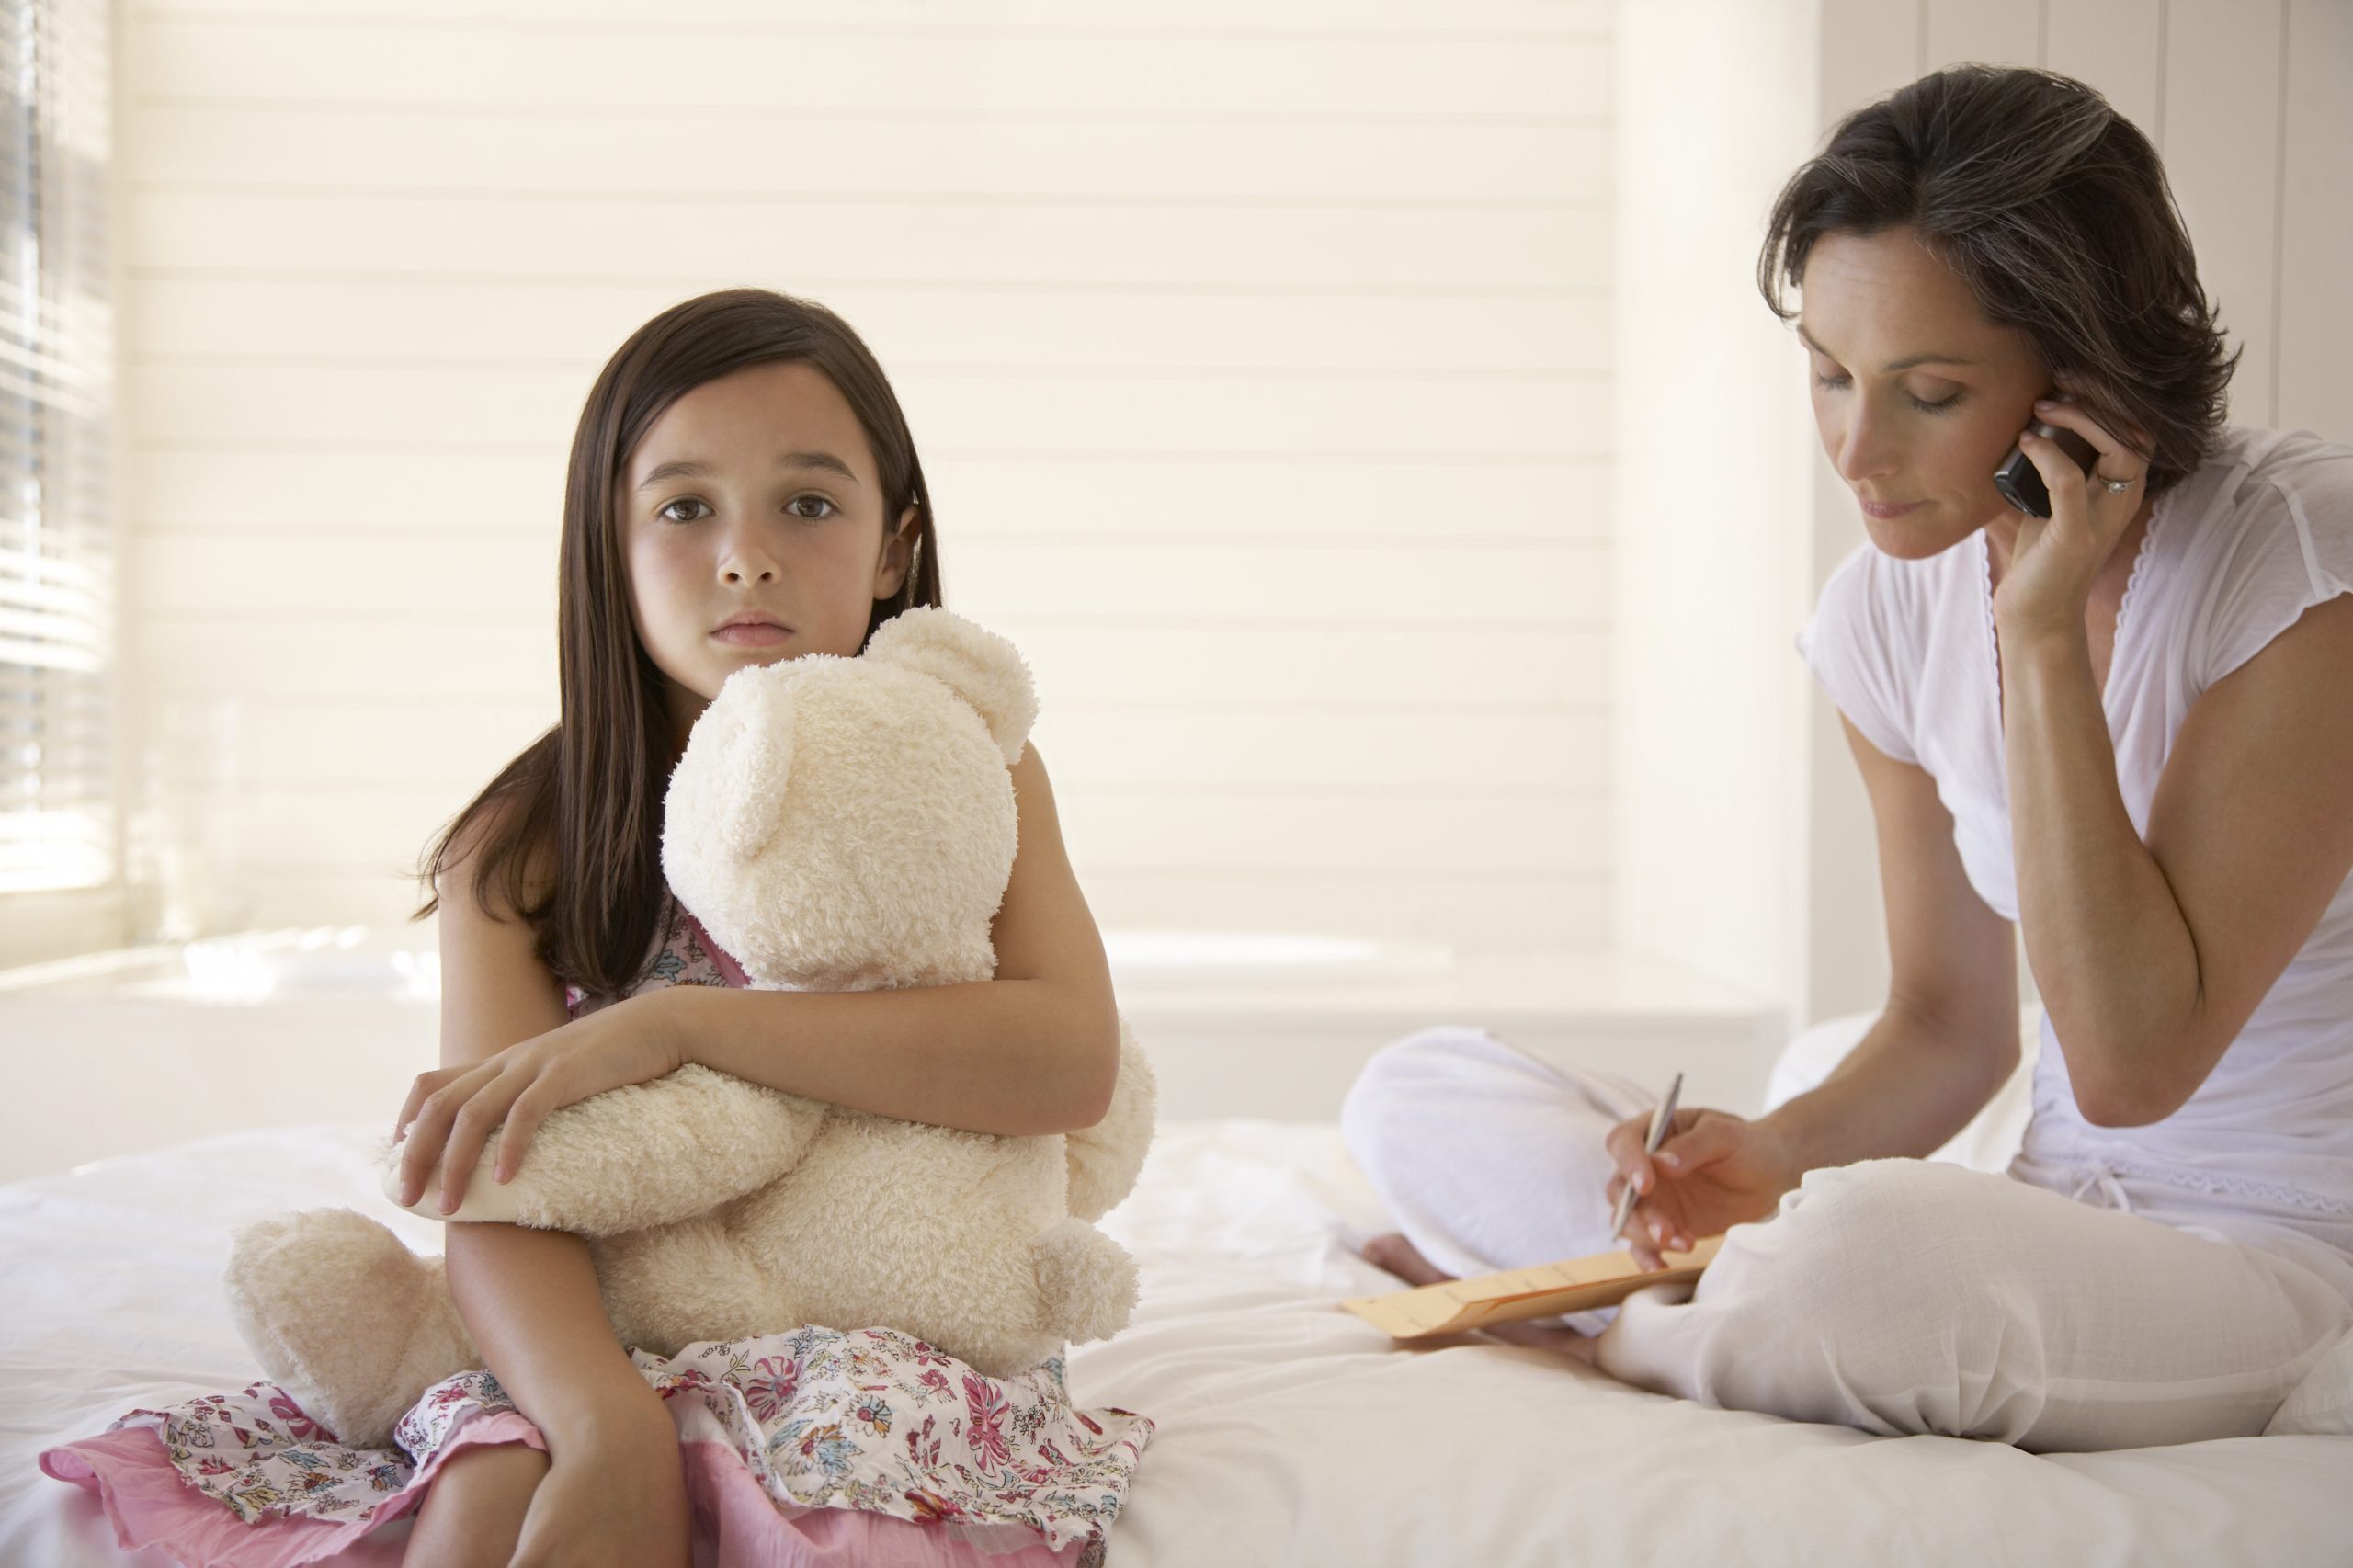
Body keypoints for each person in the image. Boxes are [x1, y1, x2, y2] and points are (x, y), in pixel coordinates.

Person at [41, 290, 1151, 1566]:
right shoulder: (521, 849)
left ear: (895, 547)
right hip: (598, 1327)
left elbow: (1066, 1061)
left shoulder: (975, 770)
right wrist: (603, 1417)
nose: (746, 554)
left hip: (890, 1330)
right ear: (606, 545)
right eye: (685, 508)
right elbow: (490, 1179)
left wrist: (676, 1028)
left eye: (808, 502)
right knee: (491, 1485)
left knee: (839, 1491)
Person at [1343, 65, 2353, 1450]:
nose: (1858, 452)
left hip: (2279, 1251)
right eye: (1829, 373)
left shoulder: (2296, 569)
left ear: (2088, 384)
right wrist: (1765, 1158)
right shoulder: (1882, 610)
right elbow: (1949, 1027)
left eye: (1928, 392)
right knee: (1410, 1095)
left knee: (1863, 1258)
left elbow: (2129, 1064)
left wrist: (2042, 626)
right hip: (2050, 1211)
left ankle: (1603, 1318)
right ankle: (1686, 1283)